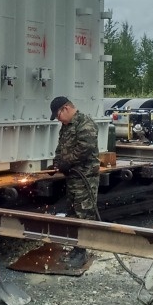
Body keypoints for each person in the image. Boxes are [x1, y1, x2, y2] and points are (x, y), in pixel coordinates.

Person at [49, 95, 100, 267]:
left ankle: (82, 252)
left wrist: (66, 162)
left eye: (58, 115)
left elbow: (85, 149)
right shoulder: (66, 126)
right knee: (73, 213)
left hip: (85, 177)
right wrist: (57, 162)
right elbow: (61, 146)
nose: (58, 119)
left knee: (84, 214)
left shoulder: (85, 124)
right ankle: (76, 248)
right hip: (72, 176)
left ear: (66, 109)